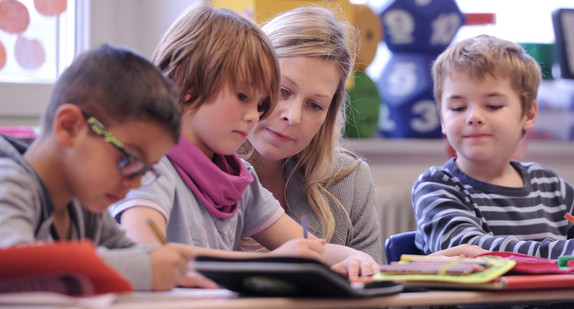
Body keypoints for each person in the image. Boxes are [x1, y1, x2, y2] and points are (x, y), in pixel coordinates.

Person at [110, 3, 378, 278]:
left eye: (261, 102)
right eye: (242, 97)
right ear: (185, 84)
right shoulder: (150, 165)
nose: (254, 115)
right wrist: (266, 264)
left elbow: (310, 248)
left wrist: (355, 258)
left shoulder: (239, 178)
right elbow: (146, 255)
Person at [0, 44, 199, 291]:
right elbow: (12, 265)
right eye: (129, 160)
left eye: (146, 170)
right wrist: (144, 269)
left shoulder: (83, 202)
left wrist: (174, 270)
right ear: (70, 127)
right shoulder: (8, 182)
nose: (136, 183)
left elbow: (131, 253)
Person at [237, 6, 383, 263]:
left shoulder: (350, 181)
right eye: (283, 91)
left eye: (315, 105)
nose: (293, 117)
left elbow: (371, 290)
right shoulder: (203, 165)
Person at [412, 34, 574, 259]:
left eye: (493, 105)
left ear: (529, 114)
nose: (474, 117)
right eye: (458, 108)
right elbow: (469, 250)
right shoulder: (436, 187)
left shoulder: (552, 186)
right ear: (442, 120)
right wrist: (561, 252)